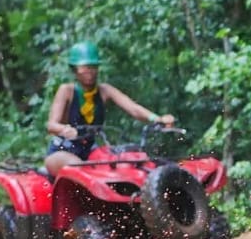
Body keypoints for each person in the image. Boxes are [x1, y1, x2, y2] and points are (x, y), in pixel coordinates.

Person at [44, 40, 176, 174]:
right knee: (80, 169)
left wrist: (157, 119)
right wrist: (64, 129)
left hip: (89, 150)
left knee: (118, 163)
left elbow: (133, 108)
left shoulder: (104, 90)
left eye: (93, 67)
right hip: (62, 151)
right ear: (75, 70)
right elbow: (51, 125)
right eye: (84, 67)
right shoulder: (66, 91)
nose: (90, 71)